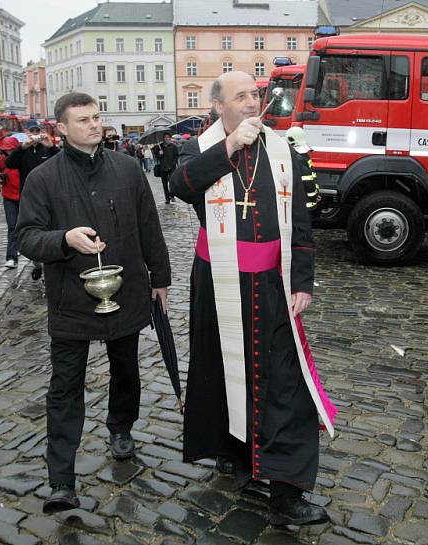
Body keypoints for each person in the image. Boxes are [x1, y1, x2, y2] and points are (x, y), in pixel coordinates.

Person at [169, 71, 336, 527]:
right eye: (240, 96)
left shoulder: (283, 149)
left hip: (271, 284)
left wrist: (303, 281)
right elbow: (179, 186)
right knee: (224, 371)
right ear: (218, 107)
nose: (251, 102)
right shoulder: (199, 147)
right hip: (217, 282)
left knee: (285, 382)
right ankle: (237, 454)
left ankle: (286, 493)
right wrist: (228, 148)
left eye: (255, 94)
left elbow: (301, 221)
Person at [16, 92, 171, 514]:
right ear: (61, 128)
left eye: (97, 116)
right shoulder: (43, 179)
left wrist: (161, 278)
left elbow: (148, 226)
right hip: (70, 299)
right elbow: (26, 237)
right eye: (82, 119)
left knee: (127, 369)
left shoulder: (127, 169)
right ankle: (61, 480)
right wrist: (64, 240)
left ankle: (122, 428)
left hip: (127, 292)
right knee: (64, 388)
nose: (94, 124)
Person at [7, 119, 59, 279]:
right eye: (32, 132)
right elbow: (10, 163)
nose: (35, 135)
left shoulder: (46, 149)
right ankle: (36, 264)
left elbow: (61, 162)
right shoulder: (23, 150)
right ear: (27, 134)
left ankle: (47, 266)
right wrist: (22, 148)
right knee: (30, 231)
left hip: (49, 196)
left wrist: (51, 147)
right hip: (28, 197)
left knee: (48, 229)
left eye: (37, 132)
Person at [0, 136, 22, 268]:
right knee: (12, 226)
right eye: (7, 150)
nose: (9, 152)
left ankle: (35, 256)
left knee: (29, 226)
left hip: (24, 197)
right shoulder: (1, 160)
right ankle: (11, 257)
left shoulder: (23, 157)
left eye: (11, 149)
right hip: (9, 197)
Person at [284, 126, 320, 212]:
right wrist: (314, 196)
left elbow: (307, 181)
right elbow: (308, 181)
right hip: (306, 205)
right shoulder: (302, 156)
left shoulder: (295, 157)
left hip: (302, 203)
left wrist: (314, 196)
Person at [157, 133, 179, 204]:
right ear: (163, 138)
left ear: (170, 138)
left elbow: (176, 156)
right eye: (165, 137)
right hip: (163, 168)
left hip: (171, 167)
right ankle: (167, 198)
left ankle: (172, 196)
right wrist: (159, 154)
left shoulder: (173, 146)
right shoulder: (160, 146)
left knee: (172, 182)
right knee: (164, 184)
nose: (167, 138)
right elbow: (157, 158)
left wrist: (173, 164)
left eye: (168, 137)